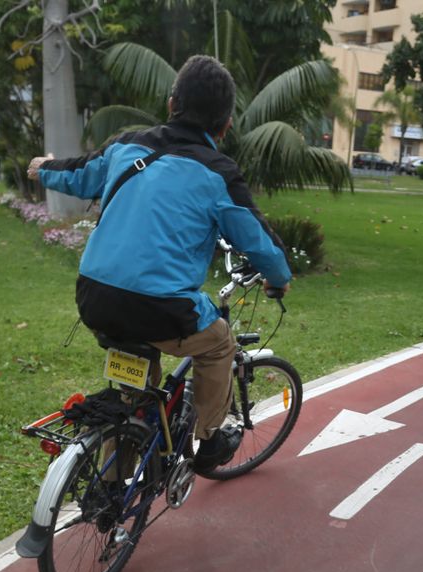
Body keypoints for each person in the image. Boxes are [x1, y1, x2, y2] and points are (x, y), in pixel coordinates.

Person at [28, 55, 292, 472]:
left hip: (95, 297)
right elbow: (259, 244)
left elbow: (77, 173)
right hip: (160, 309)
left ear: (172, 104)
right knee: (219, 342)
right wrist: (279, 279)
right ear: (224, 125)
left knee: (134, 389)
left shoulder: (127, 145)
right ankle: (209, 440)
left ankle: (115, 479)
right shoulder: (218, 172)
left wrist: (43, 169)